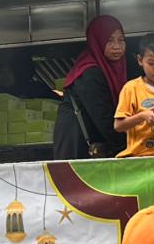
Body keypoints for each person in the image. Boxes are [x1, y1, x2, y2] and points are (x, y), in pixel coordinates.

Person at [53, 15, 128, 160]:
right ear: (97, 41)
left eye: (121, 40)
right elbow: (103, 116)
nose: (117, 46)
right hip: (77, 143)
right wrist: (126, 147)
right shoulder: (88, 72)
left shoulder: (116, 67)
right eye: (109, 40)